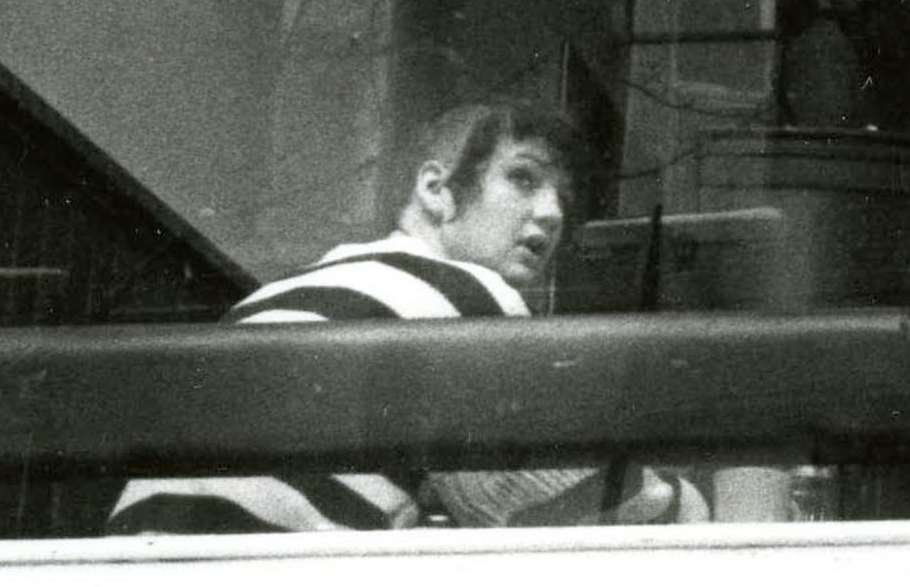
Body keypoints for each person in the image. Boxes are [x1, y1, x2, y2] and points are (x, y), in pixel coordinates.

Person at [109, 100, 703, 534]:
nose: (551, 214)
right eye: (523, 178)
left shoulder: (286, 291)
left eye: (563, 200)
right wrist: (699, 504)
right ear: (436, 189)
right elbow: (570, 503)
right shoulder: (463, 294)